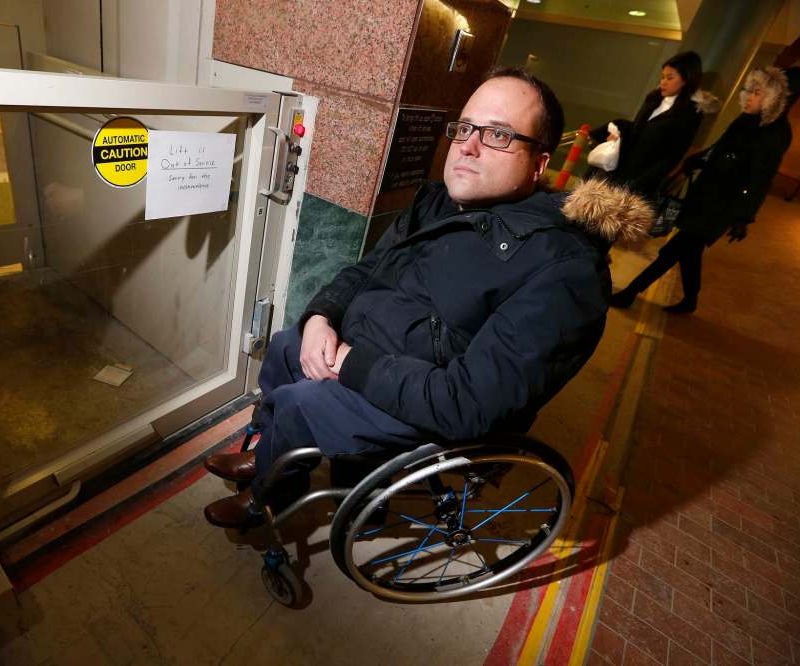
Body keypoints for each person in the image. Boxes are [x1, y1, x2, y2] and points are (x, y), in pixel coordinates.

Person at [202, 67, 653, 529]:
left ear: (538, 164)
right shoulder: (437, 204)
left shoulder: (565, 270)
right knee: (285, 345)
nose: (468, 145)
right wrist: (322, 316)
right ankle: (276, 459)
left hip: (424, 399)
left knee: (304, 402)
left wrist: (349, 364)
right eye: (465, 128)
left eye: (498, 134)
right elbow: (365, 271)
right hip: (367, 353)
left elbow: (470, 403)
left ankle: (269, 496)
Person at [609, 65, 800, 314]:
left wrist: (743, 216)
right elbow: (720, 147)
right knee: (690, 253)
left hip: (723, 205)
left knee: (674, 250)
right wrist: (697, 160)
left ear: (775, 100)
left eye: (757, 93)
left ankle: (630, 293)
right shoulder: (745, 120)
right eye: (750, 90)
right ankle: (691, 300)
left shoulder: (777, 133)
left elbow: (761, 178)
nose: (749, 97)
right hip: (705, 194)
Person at [588, 51, 719, 199]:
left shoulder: (690, 113)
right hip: (616, 169)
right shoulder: (654, 97)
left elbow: (672, 156)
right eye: (662, 76)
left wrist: (639, 184)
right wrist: (619, 135)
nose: (663, 82)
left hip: (637, 181)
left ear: (687, 79)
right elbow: (638, 129)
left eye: (670, 78)